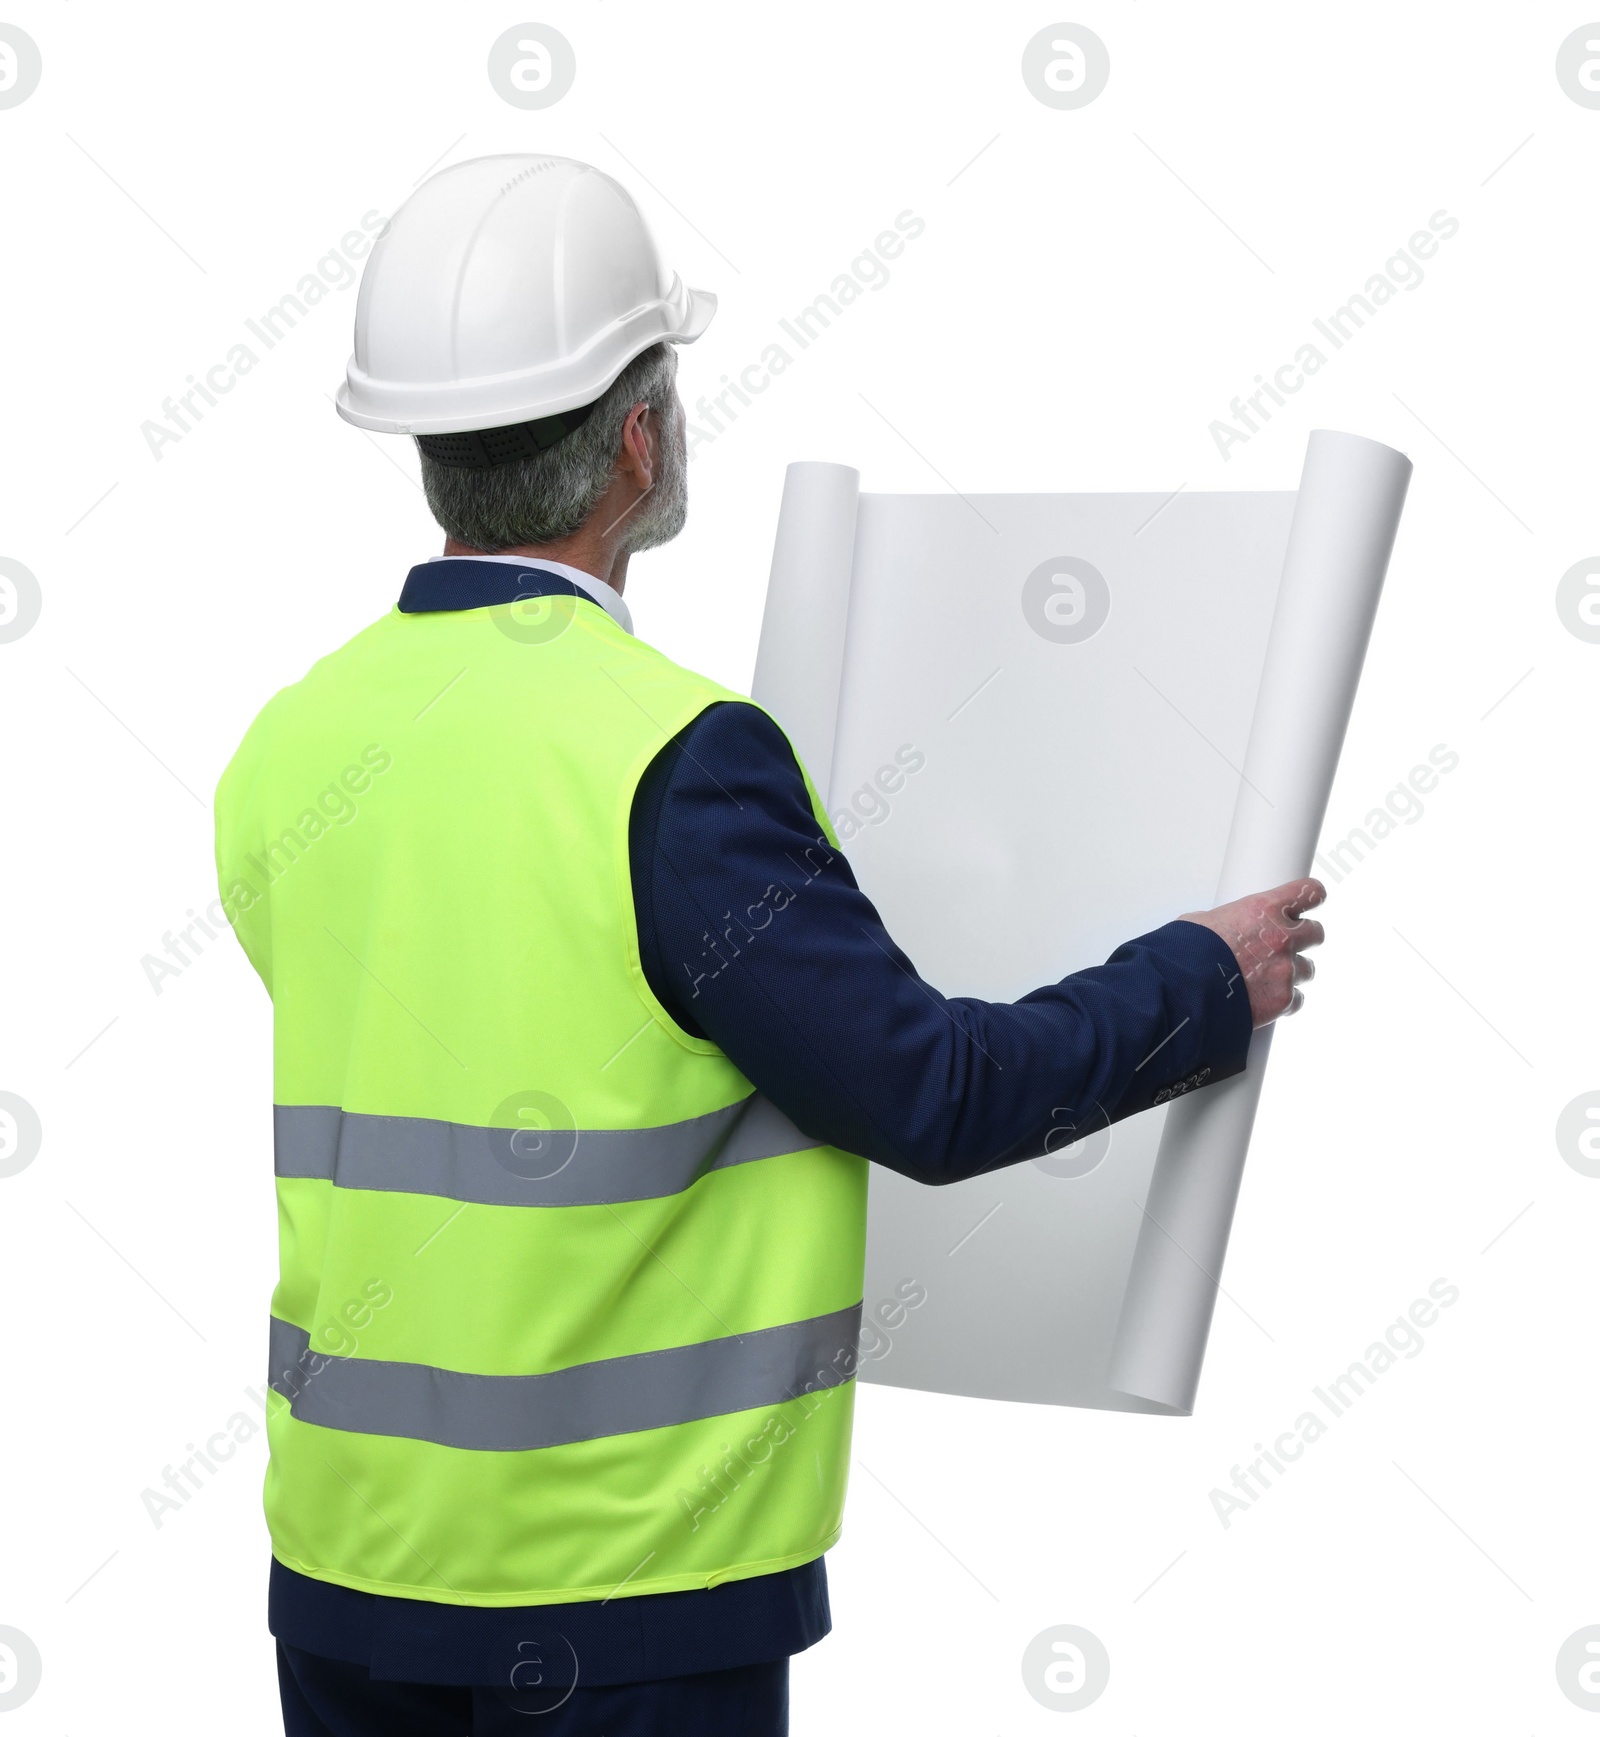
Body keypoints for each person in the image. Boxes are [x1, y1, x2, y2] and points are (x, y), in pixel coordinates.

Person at [214, 155, 1324, 1737]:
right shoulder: (678, 762)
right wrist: (1202, 981)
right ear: (640, 436)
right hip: (622, 1598)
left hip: (344, 1565)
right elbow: (932, 1094)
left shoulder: (295, 742)